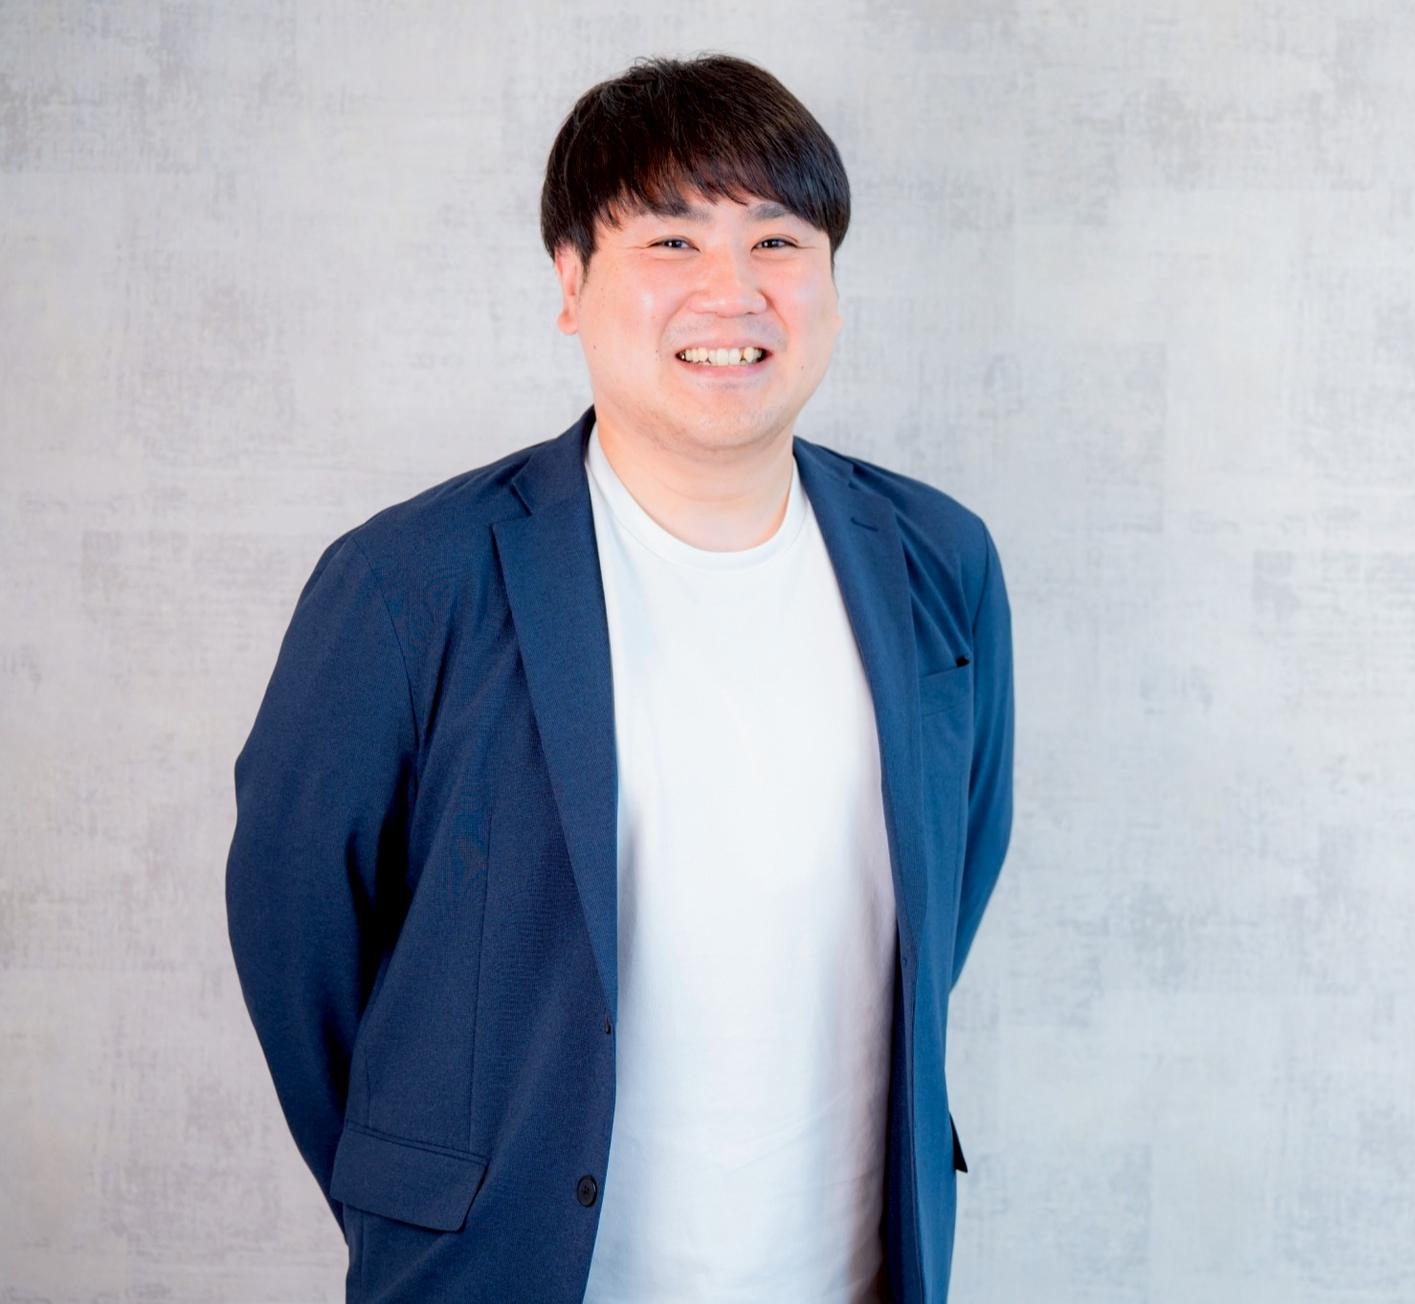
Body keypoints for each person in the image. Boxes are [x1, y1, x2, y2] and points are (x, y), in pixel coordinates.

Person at [224, 53, 1014, 1304]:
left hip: (851, 1267)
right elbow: (299, 935)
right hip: (507, 1270)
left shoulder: (936, 562)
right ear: (571, 282)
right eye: (671, 241)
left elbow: (949, 883)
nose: (732, 291)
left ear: (830, 283)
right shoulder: (410, 581)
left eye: (778, 240)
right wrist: (436, 1180)